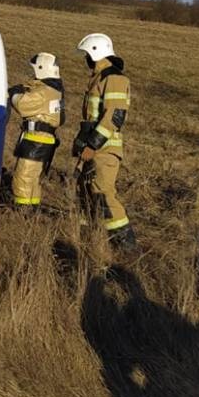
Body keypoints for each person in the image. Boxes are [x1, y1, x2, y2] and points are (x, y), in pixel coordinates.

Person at [73, 33, 138, 252]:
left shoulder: (114, 79)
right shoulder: (99, 77)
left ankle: (125, 245)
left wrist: (93, 144)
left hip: (104, 148)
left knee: (102, 192)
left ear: (95, 53)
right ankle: (86, 236)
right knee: (84, 189)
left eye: (87, 55)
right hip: (93, 146)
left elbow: (114, 116)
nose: (85, 60)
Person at [7, 52, 65, 208]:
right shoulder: (54, 90)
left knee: (23, 177)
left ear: (41, 69)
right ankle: (32, 208)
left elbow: (22, 104)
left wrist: (13, 93)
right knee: (33, 179)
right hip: (44, 140)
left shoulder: (43, 92)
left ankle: (23, 211)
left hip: (36, 141)